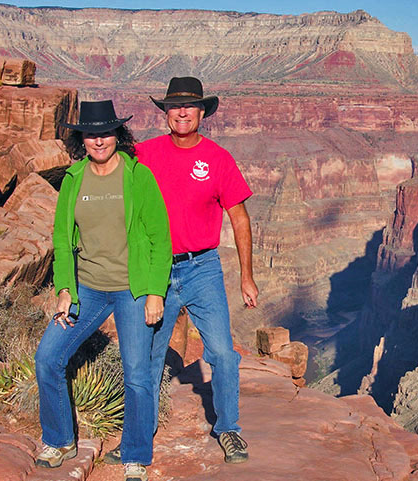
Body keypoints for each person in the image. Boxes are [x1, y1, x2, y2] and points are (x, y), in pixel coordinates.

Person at [34, 100, 171, 481]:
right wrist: (65, 288)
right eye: (91, 134)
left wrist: (155, 292)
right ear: (82, 139)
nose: (99, 140)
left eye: (105, 132)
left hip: (132, 289)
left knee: (137, 375)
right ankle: (60, 438)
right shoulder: (74, 178)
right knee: (48, 357)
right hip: (88, 290)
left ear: (118, 135)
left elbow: (161, 239)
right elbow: (62, 240)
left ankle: (136, 454)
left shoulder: (138, 177)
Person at [143, 77, 259, 463]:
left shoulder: (219, 159)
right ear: (164, 112)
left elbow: (239, 218)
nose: (181, 112)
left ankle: (228, 429)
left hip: (203, 268)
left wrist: (246, 275)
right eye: (174, 106)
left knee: (223, 354)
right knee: (150, 353)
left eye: (189, 106)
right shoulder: (143, 154)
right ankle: (142, 430)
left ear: (202, 112)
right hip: (157, 270)